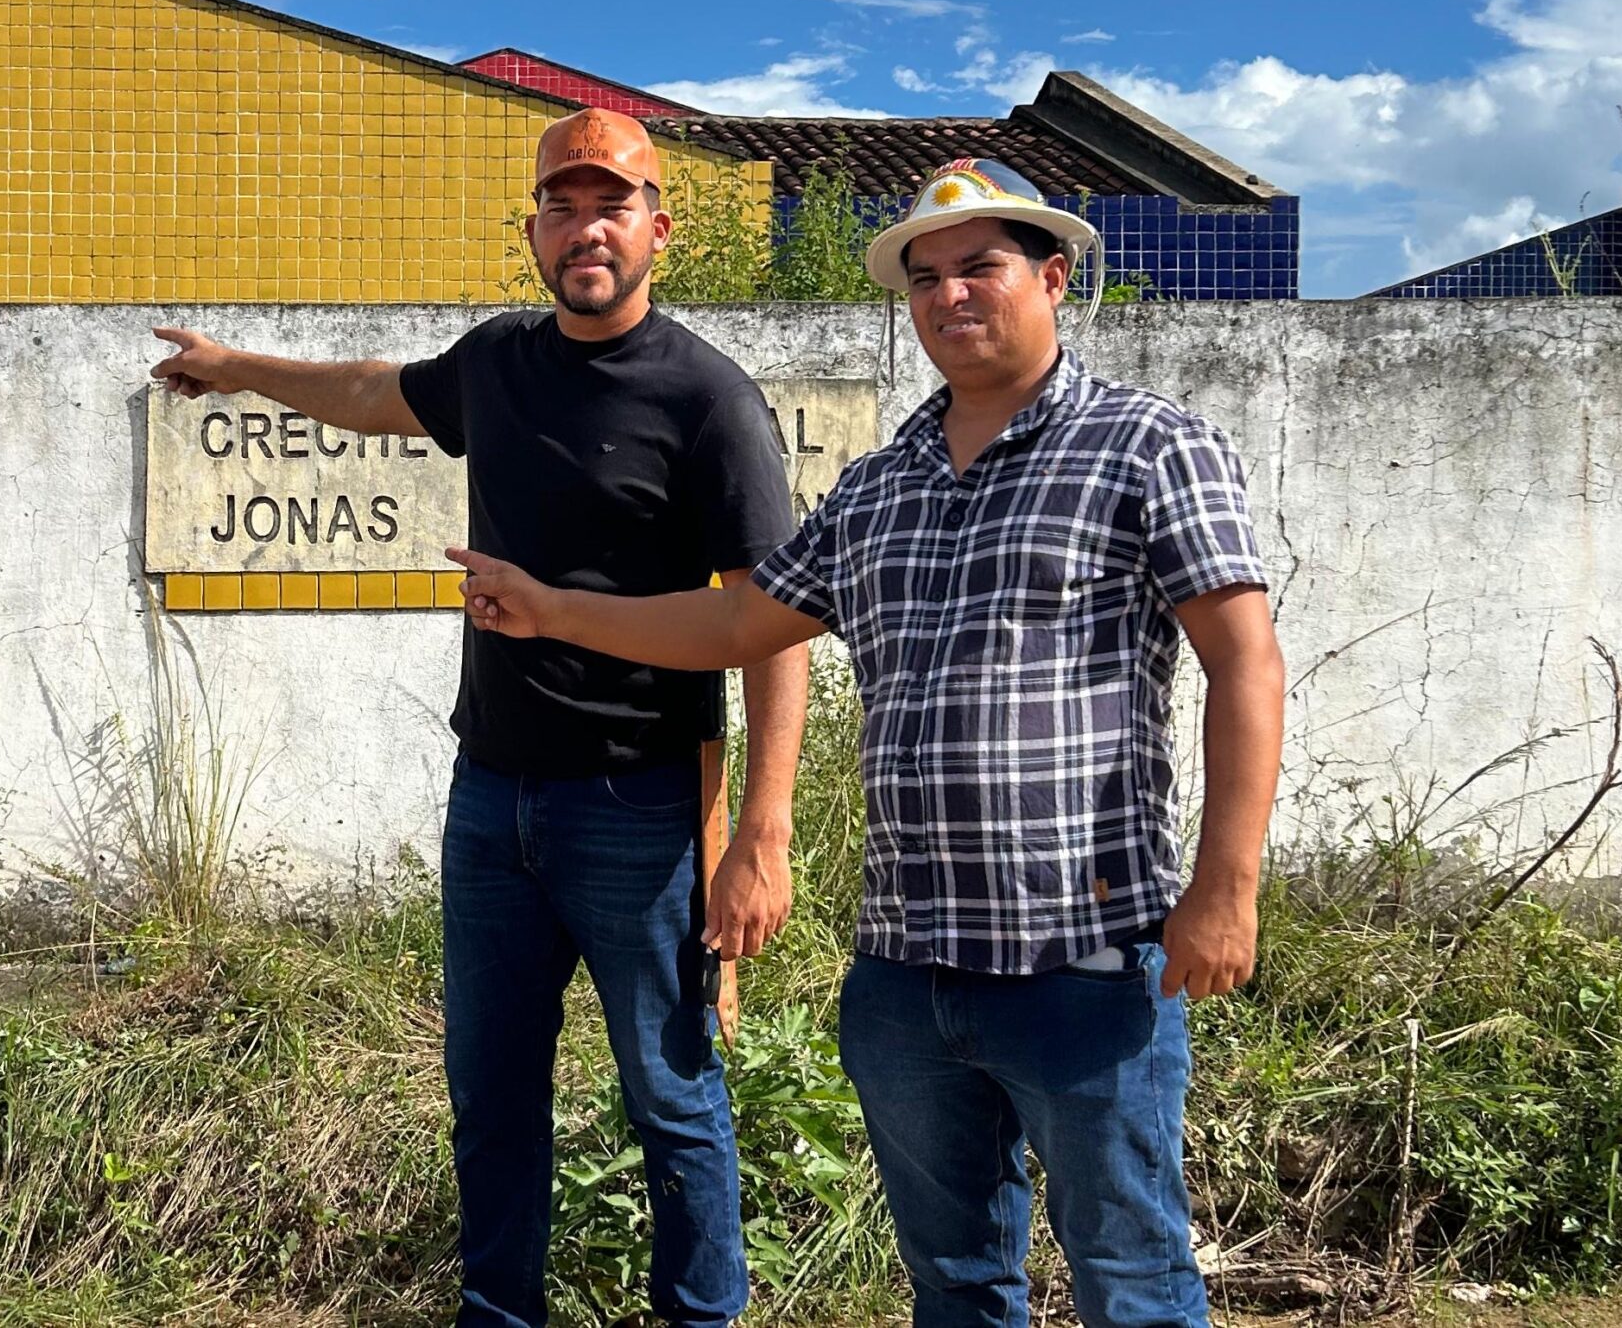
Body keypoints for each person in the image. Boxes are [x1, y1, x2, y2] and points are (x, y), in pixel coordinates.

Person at [450, 157, 1287, 1328]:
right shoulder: (879, 486)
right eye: (926, 277)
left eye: (981, 268)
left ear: (1050, 277)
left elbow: (1242, 661)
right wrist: (553, 610)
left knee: (1132, 1283)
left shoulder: (1148, 448)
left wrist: (1226, 882)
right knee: (951, 1283)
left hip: (1084, 959)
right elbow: (742, 619)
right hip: (903, 969)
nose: (951, 296)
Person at [150, 107, 808, 1328]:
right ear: (533, 230)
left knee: (672, 1098)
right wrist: (236, 366)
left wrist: (759, 834)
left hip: (643, 806)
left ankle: (699, 1316)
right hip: (491, 801)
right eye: (561, 205)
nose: (584, 227)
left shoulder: (709, 398)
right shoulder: (499, 362)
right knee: (492, 1096)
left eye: (610, 204)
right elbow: (372, 392)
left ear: (657, 227)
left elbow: (768, 625)